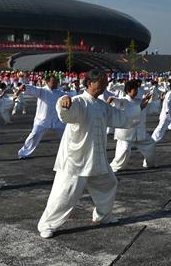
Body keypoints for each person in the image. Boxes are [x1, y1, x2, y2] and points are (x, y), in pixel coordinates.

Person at [37, 69, 140, 238]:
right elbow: (66, 113)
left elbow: (120, 117)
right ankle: (47, 225)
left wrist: (139, 109)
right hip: (75, 159)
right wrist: (63, 103)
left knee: (108, 184)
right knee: (64, 194)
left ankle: (103, 216)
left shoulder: (102, 106)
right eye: (102, 82)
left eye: (106, 82)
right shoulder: (78, 102)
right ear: (90, 83)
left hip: (96, 158)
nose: (105, 85)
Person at [109, 79, 161, 171]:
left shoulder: (140, 101)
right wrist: (112, 100)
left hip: (139, 132)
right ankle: (113, 168)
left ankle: (149, 164)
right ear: (128, 91)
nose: (136, 92)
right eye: (134, 90)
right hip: (126, 134)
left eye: (137, 90)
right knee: (123, 151)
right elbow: (115, 102)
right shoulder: (123, 101)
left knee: (151, 144)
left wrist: (159, 100)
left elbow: (150, 108)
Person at [16, 75, 68, 158]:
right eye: (53, 82)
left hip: (57, 120)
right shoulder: (41, 91)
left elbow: (68, 96)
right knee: (33, 136)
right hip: (42, 121)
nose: (55, 84)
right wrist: (24, 87)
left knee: (67, 136)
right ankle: (23, 153)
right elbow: (31, 88)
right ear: (47, 82)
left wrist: (67, 97)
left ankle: (69, 153)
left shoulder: (60, 93)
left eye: (56, 82)